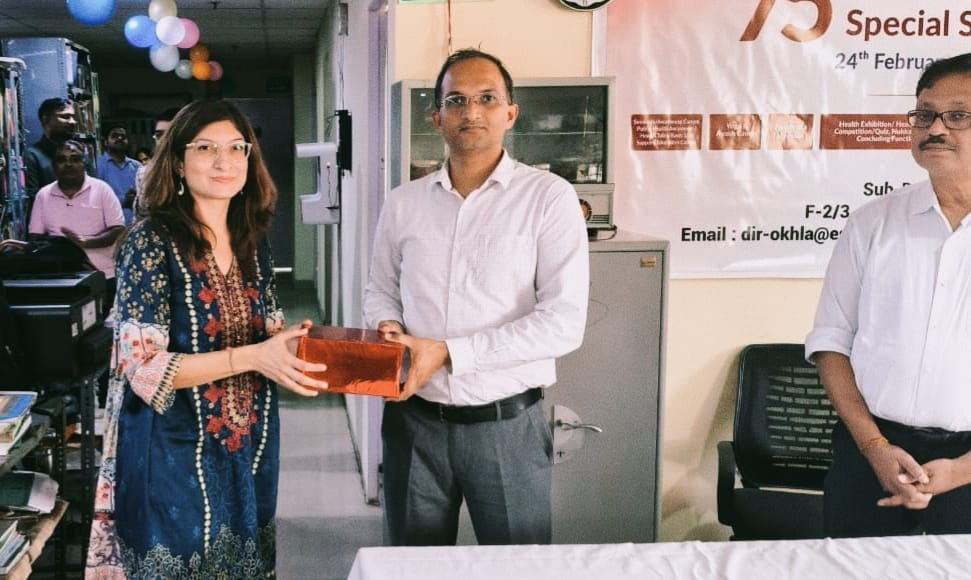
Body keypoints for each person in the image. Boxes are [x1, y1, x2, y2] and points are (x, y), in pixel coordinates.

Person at [84, 99, 329, 578]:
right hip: (170, 450)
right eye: (205, 148)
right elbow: (143, 369)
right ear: (177, 161)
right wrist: (253, 357)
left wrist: (301, 352)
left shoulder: (253, 241)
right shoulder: (150, 242)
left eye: (237, 148)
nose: (224, 161)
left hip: (248, 445)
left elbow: (267, 334)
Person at [363, 48, 590, 546]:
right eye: (456, 100)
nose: (471, 111)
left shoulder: (548, 198)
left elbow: (563, 323)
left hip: (506, 426)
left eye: (487, 98)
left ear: (510, 113)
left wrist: (447, 352)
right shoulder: (403, 203)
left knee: (518, 566)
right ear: (436, 117)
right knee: (413, 567)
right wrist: (390, 330)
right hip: (414, 422)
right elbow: (380, 289)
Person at [806, 52, 971, 538]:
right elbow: (832, 343)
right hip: (870, 457)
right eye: (925, 114)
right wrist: (874, 447)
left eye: (958, 115)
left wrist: (960, 471)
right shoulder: (872, 224)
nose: (935, 128)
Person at [27, 140, 125, 305]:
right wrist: (61, 247)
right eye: (61, 160)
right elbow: (35, 238)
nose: (68, 164)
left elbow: (118, 230)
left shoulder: (102, 190)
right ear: (54, 166)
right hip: (60, 279)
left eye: (75, 159)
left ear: (84, 163)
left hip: (103, 276)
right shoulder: (43, 195)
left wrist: (85, 242)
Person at [25, 97, 93, 209]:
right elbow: (35, 200)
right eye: (65, 117)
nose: (73, 122)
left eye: (73, 117)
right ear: (46, 120)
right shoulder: (33, 155)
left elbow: (94, 190)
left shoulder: (80, 153)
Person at [134, 107, 180, 216]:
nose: (163, 140)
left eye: (169, 134)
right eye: (159, 135)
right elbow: (140, 215)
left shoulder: (198, 170)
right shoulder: (145, 173)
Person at [95, 122, 141, 225]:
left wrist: (137, 198)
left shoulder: (137, 166)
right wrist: (124, 200)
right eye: (115, 136)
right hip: (109, 227)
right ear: (106, 142)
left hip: (135, 226)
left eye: (123, 137)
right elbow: (96, 199)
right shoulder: (97, 166)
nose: (120, 138)